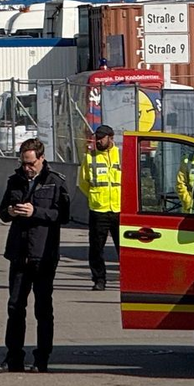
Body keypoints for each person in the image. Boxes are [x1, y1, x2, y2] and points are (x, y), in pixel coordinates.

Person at [0, 138, 70, 375]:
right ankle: (13, 355)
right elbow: (2, 212)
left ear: (41, 159)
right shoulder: (14, 180)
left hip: (43, 254)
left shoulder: (54, 182)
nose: (27, 168)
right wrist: (11, 211)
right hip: (19, 252)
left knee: (43, 308)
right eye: (24, 163)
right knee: (15, 307)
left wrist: (36, 211)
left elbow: (63, 215)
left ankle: (42, 357)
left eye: (31, 163)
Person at [78, 124, 121, 291]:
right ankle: (99, 279)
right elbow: (83, 183)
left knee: (123, 250)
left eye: (102, 138)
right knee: (96, 249)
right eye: (97, 137)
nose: (98, 141)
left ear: (111, 138)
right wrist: (95, 197)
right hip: (98, 210)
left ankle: (124, 279)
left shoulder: (121, 155)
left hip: (119, 209)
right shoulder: (90, 157)